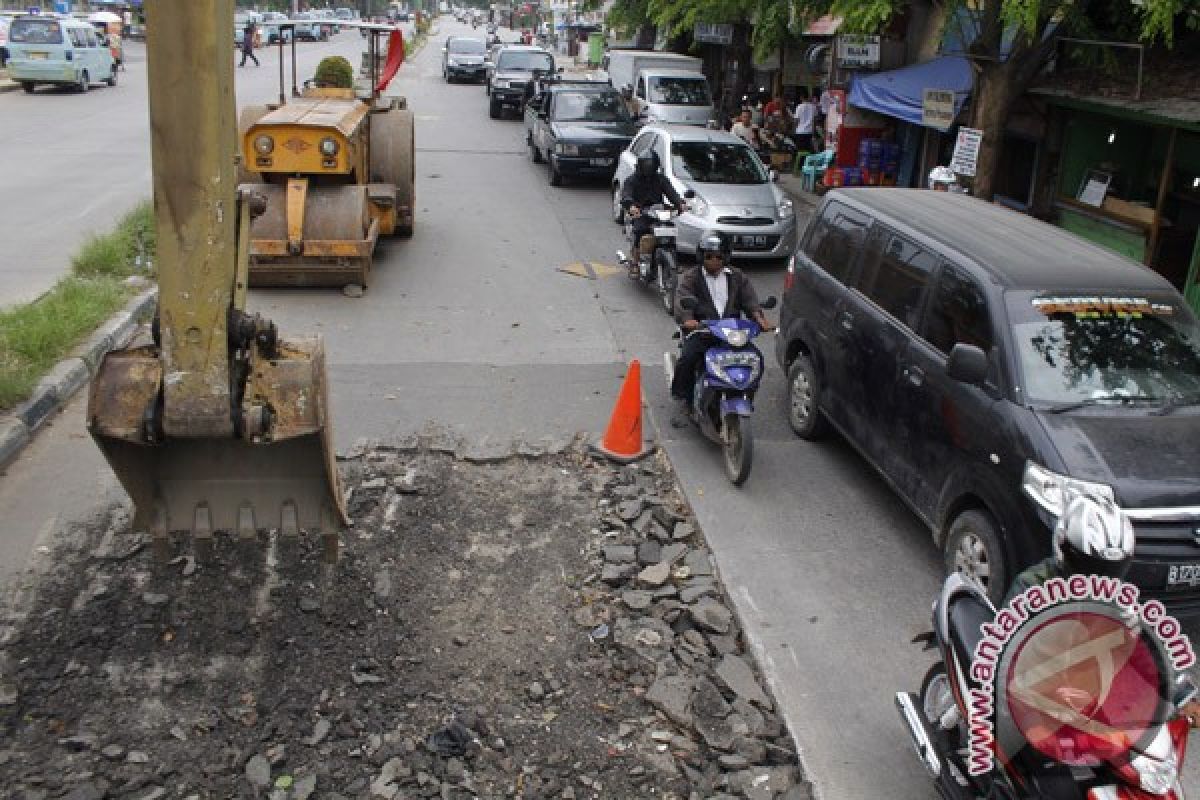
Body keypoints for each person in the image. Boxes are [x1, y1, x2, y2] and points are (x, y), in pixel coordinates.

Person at [670, 233, 774, 422]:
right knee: (688, 358)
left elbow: (750, 300)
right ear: (701, 256)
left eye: (719, 257)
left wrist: (759, 318)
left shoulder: (737, 276)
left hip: (733, 333)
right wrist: (688, 319)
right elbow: (681, 300)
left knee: (755, 358)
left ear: (726, 256)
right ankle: (685, 397)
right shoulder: (691, 277)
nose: (714, 261)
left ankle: (746, 392)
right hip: (702, 331)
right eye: (709, 256)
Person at [1004, 493, 1134, 605]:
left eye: (1112, 567)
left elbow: (1139, 629)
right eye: (1090, 565)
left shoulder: (1120, 595)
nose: (1101, 576)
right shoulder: (1031, 586)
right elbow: (1008, 631)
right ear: (1063, 545)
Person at [620, 152, 688, 276]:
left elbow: (671, 193)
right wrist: (631, 206)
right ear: (640, 164)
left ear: (656, 164)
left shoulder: (661, 179)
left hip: (658, 212)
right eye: (645, 164)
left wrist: (680, 203)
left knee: (670, 229)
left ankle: (673, 260)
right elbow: (626, 195)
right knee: (640, 230)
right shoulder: (631, 180)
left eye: (651, 164)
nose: (648, 167)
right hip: (641, 213)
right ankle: (635, 262)